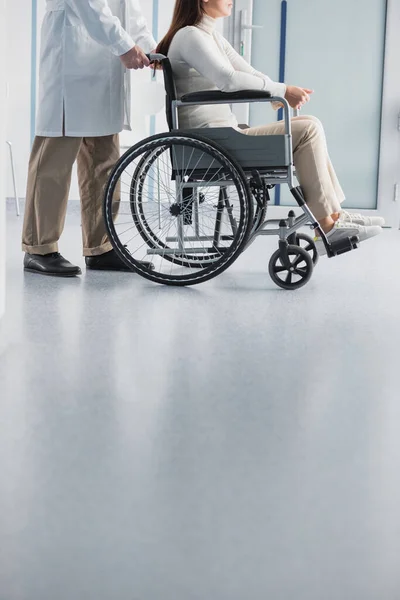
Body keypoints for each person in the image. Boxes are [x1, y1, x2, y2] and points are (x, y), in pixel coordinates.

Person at [156, 0, 384, 254]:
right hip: (210, 142)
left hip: (220, 136)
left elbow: (250, 73)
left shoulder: (210, 37)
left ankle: (333, 216)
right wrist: (282, 92)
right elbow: (229, 80)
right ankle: (327, 225)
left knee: (309, 124)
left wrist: (280, 92)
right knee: (308, 129)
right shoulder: (190, 37)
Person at [23, 0, 156, 277]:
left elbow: (128, 8)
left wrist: (149, 46)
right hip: (71, 59)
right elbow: (89, 5)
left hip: (105, 65)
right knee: (53, 164)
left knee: (104, 162)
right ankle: (39, 248)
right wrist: (125, 46)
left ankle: (101, 248)